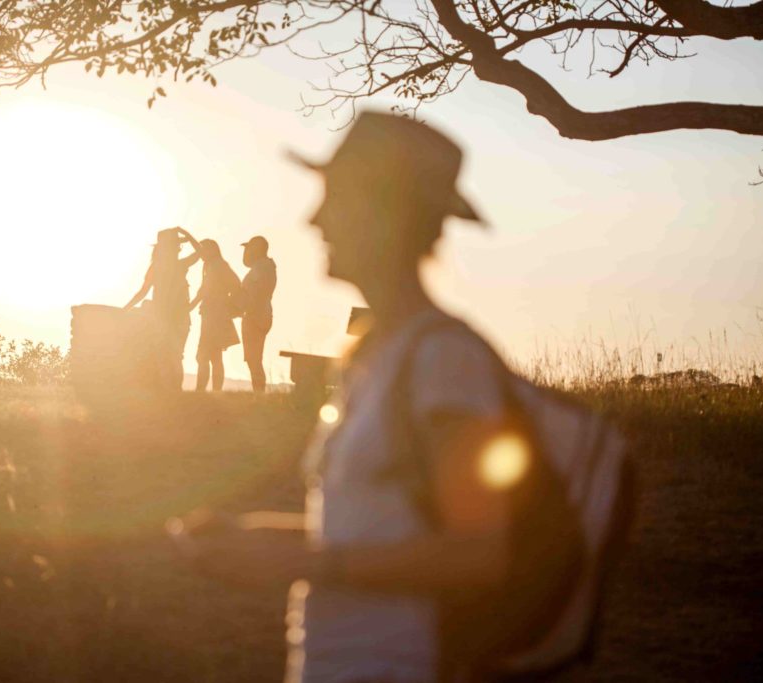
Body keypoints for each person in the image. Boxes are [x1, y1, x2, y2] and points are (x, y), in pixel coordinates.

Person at [170, 112, 524, 683]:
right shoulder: (374, 354)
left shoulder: (446, 360)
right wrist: (253, 537)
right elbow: (376, 529)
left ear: (389, 214)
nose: (314, 219)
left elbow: (478, 555)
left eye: (335, 198)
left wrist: (300, 562)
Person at [125, 227, 200, 391]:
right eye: (175, 246)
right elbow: (199, 252)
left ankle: (171, 394)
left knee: (167, 357)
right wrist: (186, 234)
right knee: (172, 357)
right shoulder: (178, 265)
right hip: (171, 319)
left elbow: (143, 292)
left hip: (167, 319)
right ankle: (173, 394)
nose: (176, 249)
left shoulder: (161, 267)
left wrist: (126, 308)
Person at [189, 238, 242, 391]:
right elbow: (203, 290)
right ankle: (212, 392)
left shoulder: (218, 265)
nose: (201, 253)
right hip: (212, 314)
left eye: (204, 250)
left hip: (215, 316)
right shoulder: (212, 265)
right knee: (214, 356)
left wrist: (227, 305)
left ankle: (202, 391)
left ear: (211, 250)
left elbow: (235, 285)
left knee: (205, 355)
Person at [238, 235, 277, 393]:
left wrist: (240, 307)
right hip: (259, 314)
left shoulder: (261, 266)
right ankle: (258, 393)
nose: (247, 251)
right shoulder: (264, 266)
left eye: (250, 248)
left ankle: (258, 393)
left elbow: (253, 293)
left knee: (254, 359)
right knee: (254, 359)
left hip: (255, 316)